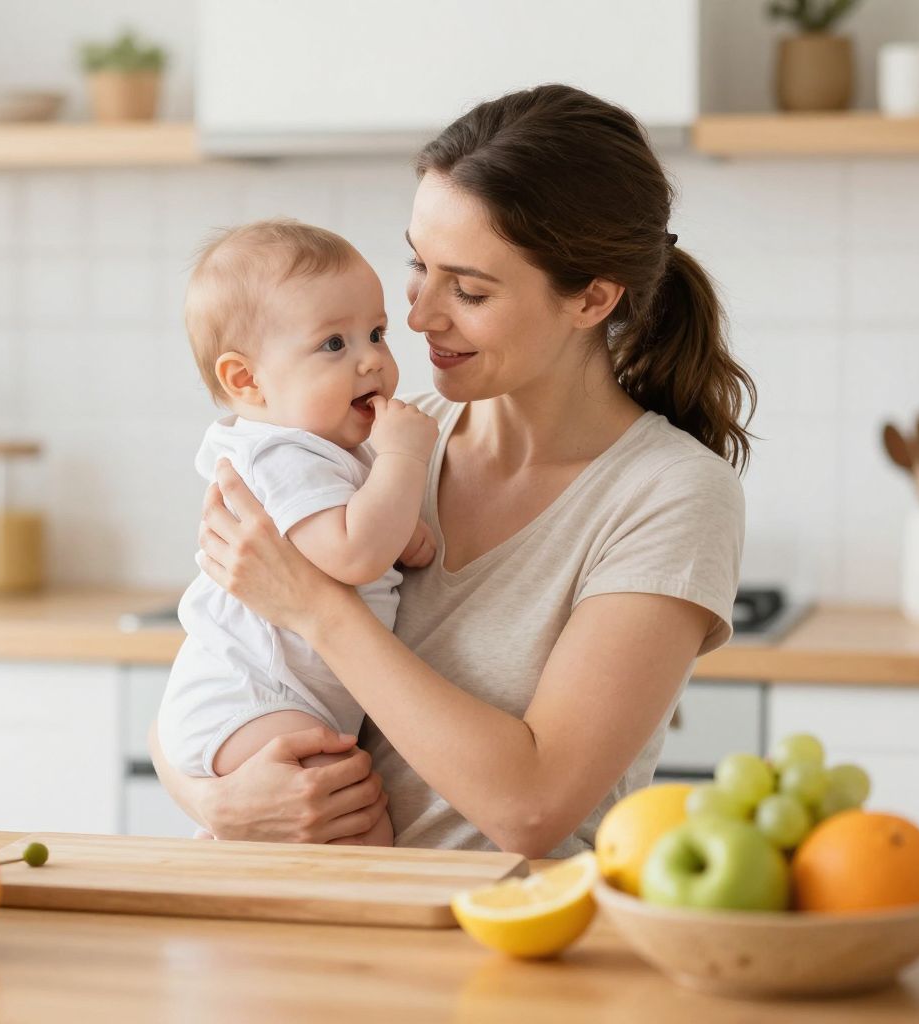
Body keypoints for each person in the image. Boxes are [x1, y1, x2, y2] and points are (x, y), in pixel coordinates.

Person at [150, 83, 755, 858]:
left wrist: (317, 608)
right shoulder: (370, 434)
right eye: (419, 266)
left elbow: (533, 809)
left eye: (468, 289)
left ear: (592, 299)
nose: (418, 315)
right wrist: (219, 800)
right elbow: (214, 669)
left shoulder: (669, 494)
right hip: (320, 937)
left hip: (511, 947)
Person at [157, 219, 441, 847]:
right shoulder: (277, 456)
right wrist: (404, 464)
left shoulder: (329, 446)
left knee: (340, 820)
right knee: (352, 821)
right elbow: (355, 552)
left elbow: (364, 533)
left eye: (376, 333)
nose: (371, 358)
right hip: (249, 697)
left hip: (280, 696)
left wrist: (401, 523)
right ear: (246, 381)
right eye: (332, 345)